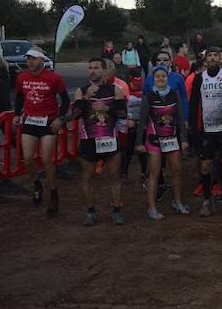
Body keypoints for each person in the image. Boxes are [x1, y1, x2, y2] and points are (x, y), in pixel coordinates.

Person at [69, 58, 127, 225]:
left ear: (104, 71)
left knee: (114, 175)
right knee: (88, 176)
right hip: (89, 139)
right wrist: (86, 98)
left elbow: (123, 114)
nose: (92, 71)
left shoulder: (115, 90)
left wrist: (107, 108)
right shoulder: (82, 90)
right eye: (90, 68)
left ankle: (116, 210)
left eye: (96, 68)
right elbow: (75, 114)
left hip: (110, 138)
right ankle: (90, 212)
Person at [14, 47, 69, 217]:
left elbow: (66, 99)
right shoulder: (21, 77)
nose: (30, 62)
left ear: (42, 60)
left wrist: (60, 118)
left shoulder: (54, 78)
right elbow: (19, 97)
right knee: (28, 158)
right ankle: (36, 183)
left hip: (48, 122)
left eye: (33, 58)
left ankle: (53, 193)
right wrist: (17, 114)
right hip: (30, 121)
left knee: (46, 160)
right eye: (28, 59)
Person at [189, 47, 222, 217]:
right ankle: (206, 199)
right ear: (206, 59)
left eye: (215, 56)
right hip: (205, 129)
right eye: (210, 56)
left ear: (220, 58)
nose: (212, 58)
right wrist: (192, 127)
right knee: (205, 165)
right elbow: (194, 104)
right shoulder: (199, 78)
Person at [136, 65, 190, 220]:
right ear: (153, 79)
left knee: (177, 171)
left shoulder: (174, 95)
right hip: (154, 140)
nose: (161, 79)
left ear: (168, 78)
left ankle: (177, 201)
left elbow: (180, 118)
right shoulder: (149, 97)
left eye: (163, 76)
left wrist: (185, 139)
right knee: (154, 173)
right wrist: (139, 143)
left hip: (172, 139)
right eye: (157, 76)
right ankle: (152, 208)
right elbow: (142, 121)